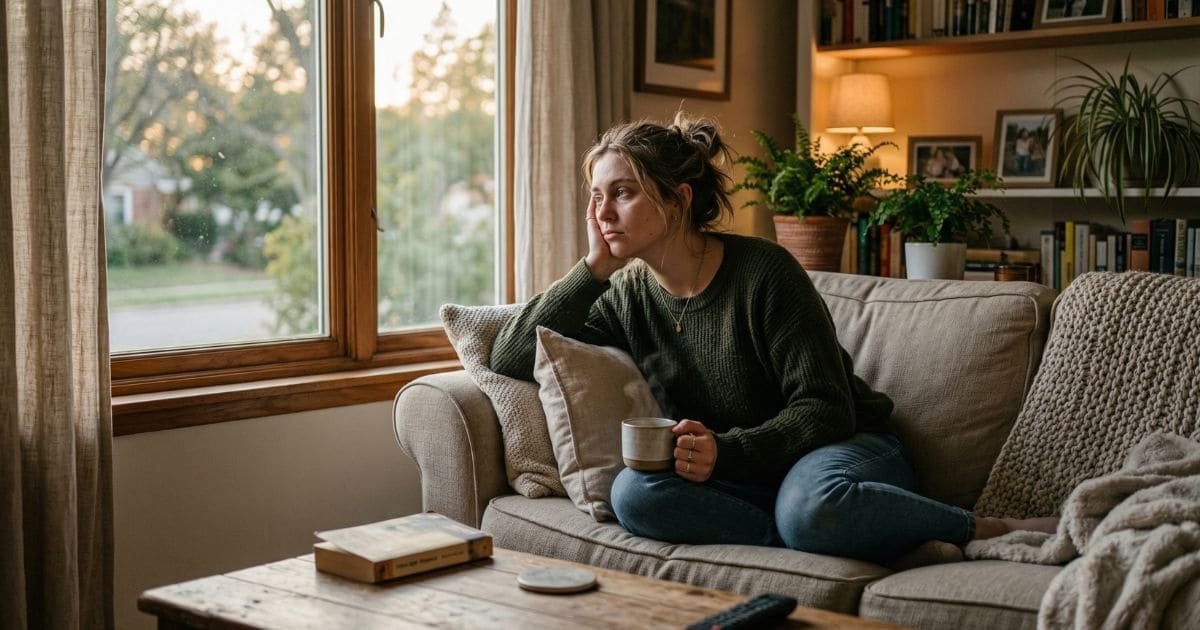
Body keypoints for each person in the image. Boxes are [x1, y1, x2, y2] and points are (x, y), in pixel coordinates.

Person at [489, 113, 1057, 564]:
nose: (602, 211)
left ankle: (984, 528)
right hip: (749, 478)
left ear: (680, 199)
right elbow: (511, 354)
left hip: (842, 449)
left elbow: (826, 408)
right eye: (596, 195)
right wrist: (591, 268)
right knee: (634, 495)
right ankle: (848, 538)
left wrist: (726, 451)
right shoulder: (628, 294)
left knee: (811, 507)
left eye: (623, 193)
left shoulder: (765, 272)